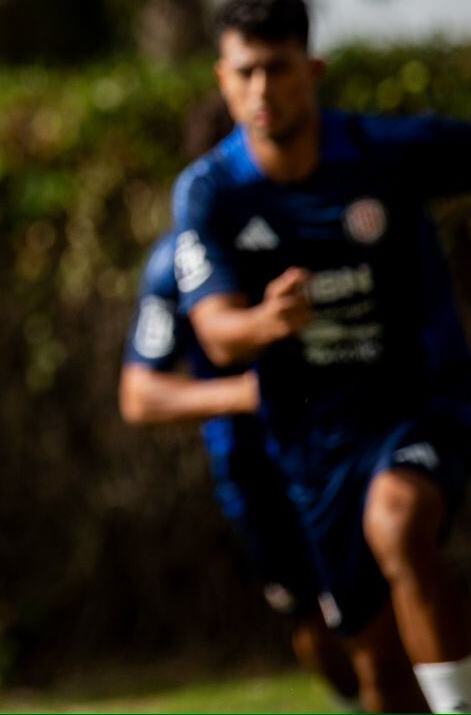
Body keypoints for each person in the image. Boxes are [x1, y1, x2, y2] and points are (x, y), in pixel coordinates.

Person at [172, 0, 471, 713]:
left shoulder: (385, 154)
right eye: (244, 71)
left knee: (399, 523)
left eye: (277, 68)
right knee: (376, 671)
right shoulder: (211, 193)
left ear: (311, 72)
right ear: (222, 78)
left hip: (418, 403)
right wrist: (266, 323)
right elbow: (217, 334)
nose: (261, 89)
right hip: (311, 437)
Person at [121, 230, 362, 710]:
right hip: (252, 471)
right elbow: (139, 395)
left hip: (341, 443)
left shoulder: (319, 219)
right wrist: (249, 394)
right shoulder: (176, 259)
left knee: (370, 601)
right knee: (309, 617)